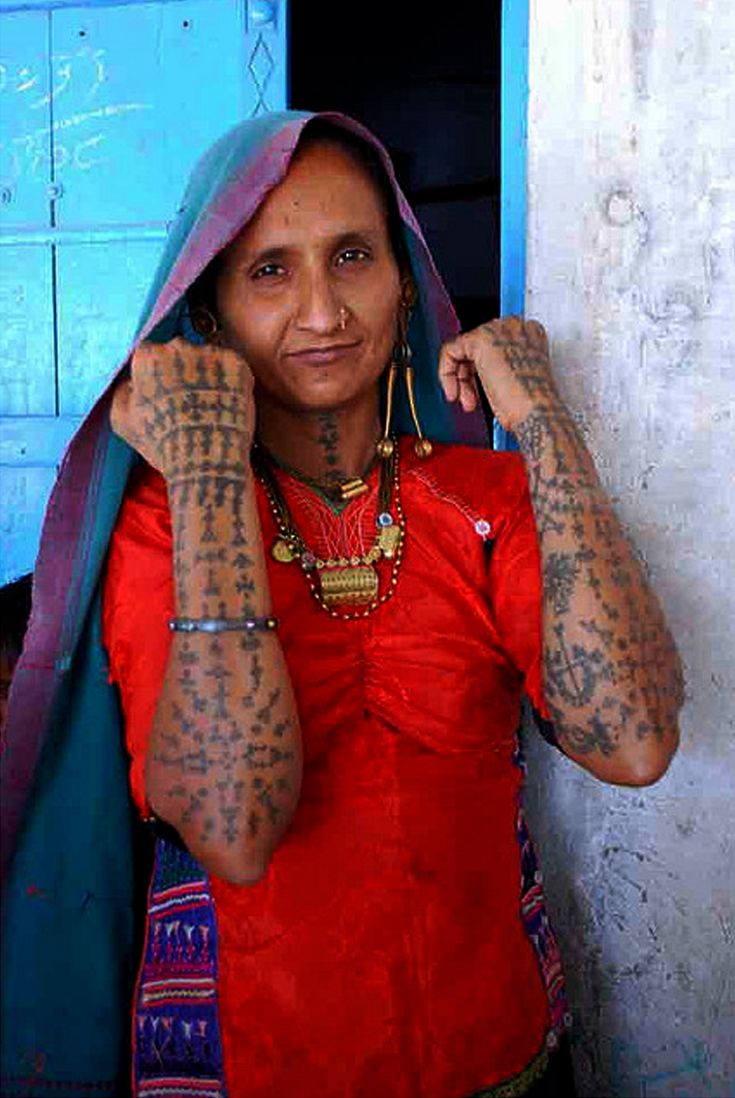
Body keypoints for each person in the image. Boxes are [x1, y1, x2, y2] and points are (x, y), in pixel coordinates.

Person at [0, 111, 683, 1098]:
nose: (322, 311)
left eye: (352, 256)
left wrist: (543, 419)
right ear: (213, 314)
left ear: (402, 282)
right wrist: (207, 478)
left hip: (504, 1056)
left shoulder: (483, 500)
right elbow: (234, 831)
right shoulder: (166, 528)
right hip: (253, 1066)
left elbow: (635, 741)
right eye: (270, 271)